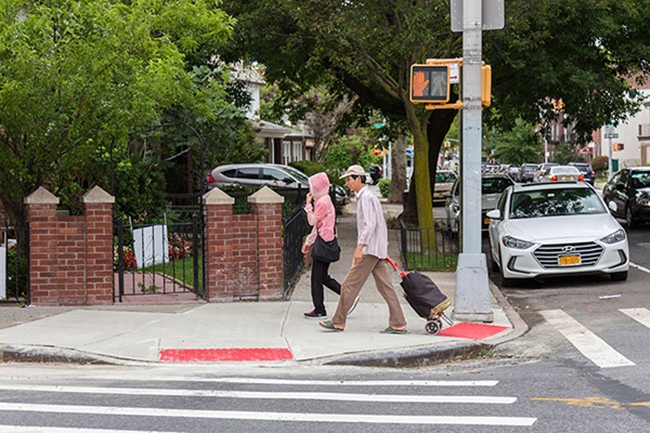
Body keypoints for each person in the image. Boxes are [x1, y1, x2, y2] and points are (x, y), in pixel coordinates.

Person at [319, 165, 407, 334]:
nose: (347, 182)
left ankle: (338, 321)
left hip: (369, 250)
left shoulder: (366, 198)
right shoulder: (367, 197)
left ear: (359, 178)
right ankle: (398, 323)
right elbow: (378, 224)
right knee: (385, 288)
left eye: (349, 179)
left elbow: (370, 225)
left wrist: (360, 247)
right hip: (376, 249)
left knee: (348, 285)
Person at [302, 172, 359, 319]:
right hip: (326, 241)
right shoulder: (324, 199)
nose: (311, 189)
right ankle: (348, 298)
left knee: (317, 279)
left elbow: (313, 221)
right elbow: (319, 226)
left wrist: (308, 205)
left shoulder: (322, 202)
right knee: (323, 277)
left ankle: (320, 309)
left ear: (318, 187)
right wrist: (308, 242)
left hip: (324, 243)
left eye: (313, 186)